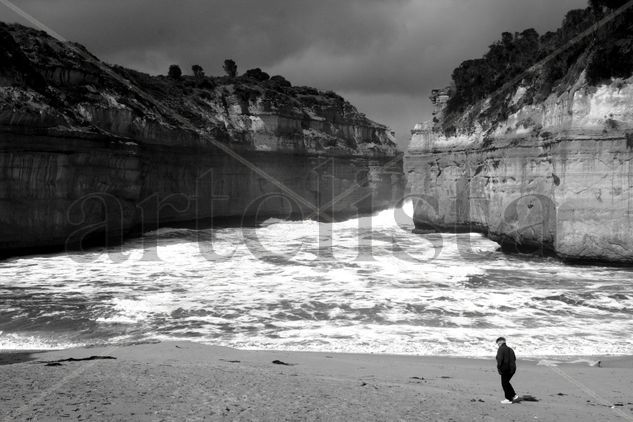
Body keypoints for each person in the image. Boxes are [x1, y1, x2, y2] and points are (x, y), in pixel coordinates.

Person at [496, 337, 518, 404]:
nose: (498, 345)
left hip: (505, 369)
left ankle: (508, 399)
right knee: (506, 382)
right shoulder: (510, 349)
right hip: (512, 369)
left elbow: (499, 360)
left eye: (498, 344)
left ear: (500, 342)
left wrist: (499, 368)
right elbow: (514, 359)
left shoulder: (501, 349)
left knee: (504, 383)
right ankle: (513, 395)